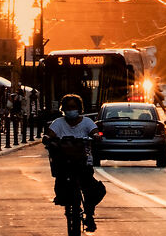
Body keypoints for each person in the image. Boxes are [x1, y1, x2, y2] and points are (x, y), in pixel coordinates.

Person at [45, 93, 103, 232]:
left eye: (74, 107)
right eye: (68, 107)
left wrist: (95, 136)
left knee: (95, 190)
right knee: (61, 188)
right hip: (64, 164)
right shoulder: (58, 123)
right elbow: (50, 134)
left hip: (83, 164)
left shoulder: (87, 122)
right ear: (63, 109)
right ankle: (65, 202)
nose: (71, 110)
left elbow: (95, 132)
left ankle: (89, 214)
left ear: (79, 108)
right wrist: (47, 138)